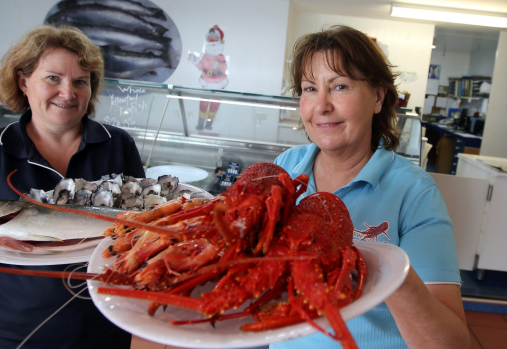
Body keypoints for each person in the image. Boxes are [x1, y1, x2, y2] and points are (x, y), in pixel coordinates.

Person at [0, 25, 144, 349]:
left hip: (105, 321)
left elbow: (140, 227)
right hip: (17, 328)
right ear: (23, 81)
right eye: (53, 78)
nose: (68, 93)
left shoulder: (118, 144)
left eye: (80, 81)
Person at [271, 25, 469, 349]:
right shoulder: (285, 167)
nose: (320, 105)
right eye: (309, 88)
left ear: (378, 97)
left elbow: (451, 344)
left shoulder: (414, 192)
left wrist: (387, 270)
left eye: (339, 86)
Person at [188, 25, 229, 131]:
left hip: (219, 84)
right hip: (206, 83)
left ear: (219, 41)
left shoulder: (221, 57)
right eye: (211, 38)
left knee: (214, 106)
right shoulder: (205, 56)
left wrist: (215, 64)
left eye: (215, 38)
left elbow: (224, 68)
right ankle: (200, 124)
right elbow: (201, 67)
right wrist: (195, 61)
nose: (213, 41)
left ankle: (209, 124)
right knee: (203, 105)